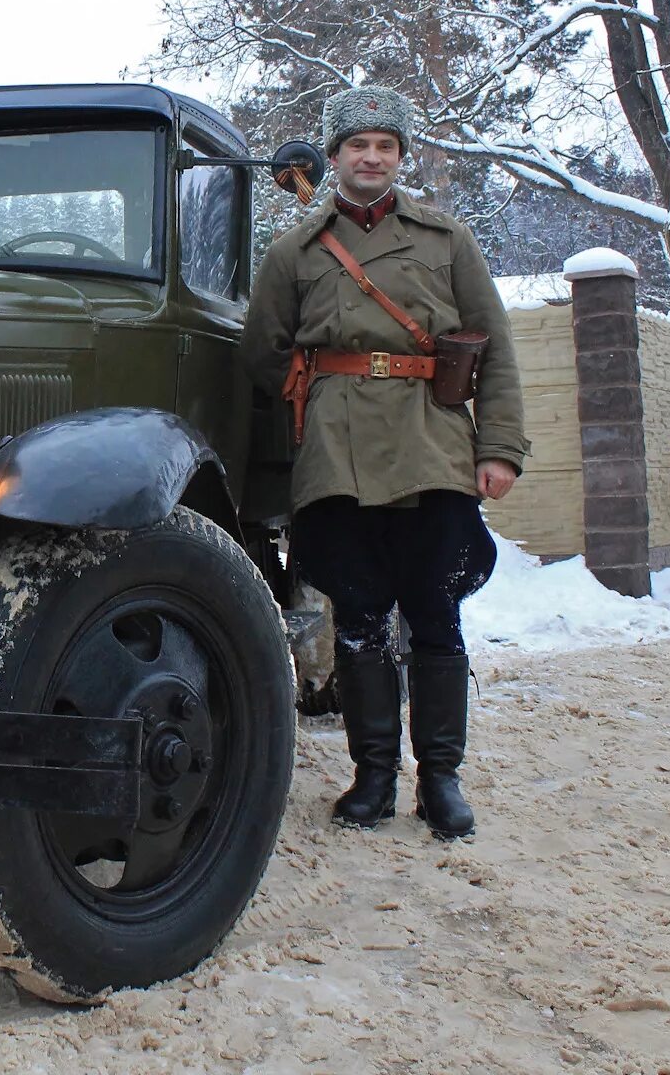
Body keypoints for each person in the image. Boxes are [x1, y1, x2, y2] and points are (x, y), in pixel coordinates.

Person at [240, 86, 528, 840]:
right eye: (357, 145)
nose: (372, 158)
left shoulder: (445, 240)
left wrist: (498, 449)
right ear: (332, 157)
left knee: (436, 616)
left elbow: (492, 348)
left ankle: (441, 780)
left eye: (386, 146)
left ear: (401, 157)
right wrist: (317, 389)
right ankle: (372, 780)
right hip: (336, 456)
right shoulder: (295, 252)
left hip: (432, 447)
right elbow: (262, 350)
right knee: (360, 619)